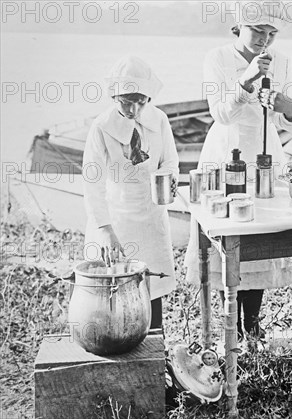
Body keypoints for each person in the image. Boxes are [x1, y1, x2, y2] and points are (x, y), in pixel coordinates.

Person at [184, 1, 292, 339]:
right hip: (225, 155)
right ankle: (229, 324)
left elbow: (285, 117)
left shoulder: (283, 62)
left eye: (271, 33)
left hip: (265, 154)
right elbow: (220, 113)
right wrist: (247, 80)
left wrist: (290, 108)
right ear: (238, 28)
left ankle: (252, 325)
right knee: (227, 238)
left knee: (260, 239)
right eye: (257, 31)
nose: (265, 39)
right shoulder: (217, 58)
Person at [82, 55, 179, 329]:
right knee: (118, 290)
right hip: (118, 216)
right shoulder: (101, 127)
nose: (134, 108)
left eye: (141, 100)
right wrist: (105, 229)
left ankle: (156, 350)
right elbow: (92, 182)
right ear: (115, 95)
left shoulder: (159, 119)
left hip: (151, 215)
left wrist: (170, 178)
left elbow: (170, 161)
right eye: (127, 101)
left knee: (152, 287)